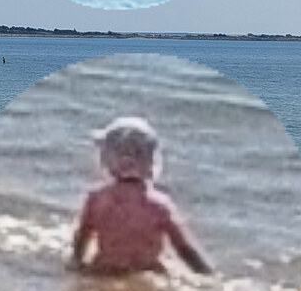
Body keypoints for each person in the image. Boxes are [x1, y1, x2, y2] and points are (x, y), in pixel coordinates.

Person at [70, 117, 211, 276]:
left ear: (107, 158)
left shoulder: (97, 199)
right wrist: (206, 274)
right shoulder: (159, 205)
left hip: (105, 271)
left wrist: (75, 264)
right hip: (147, 271)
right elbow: (184, 248)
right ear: (152, 160)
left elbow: (82, 237)